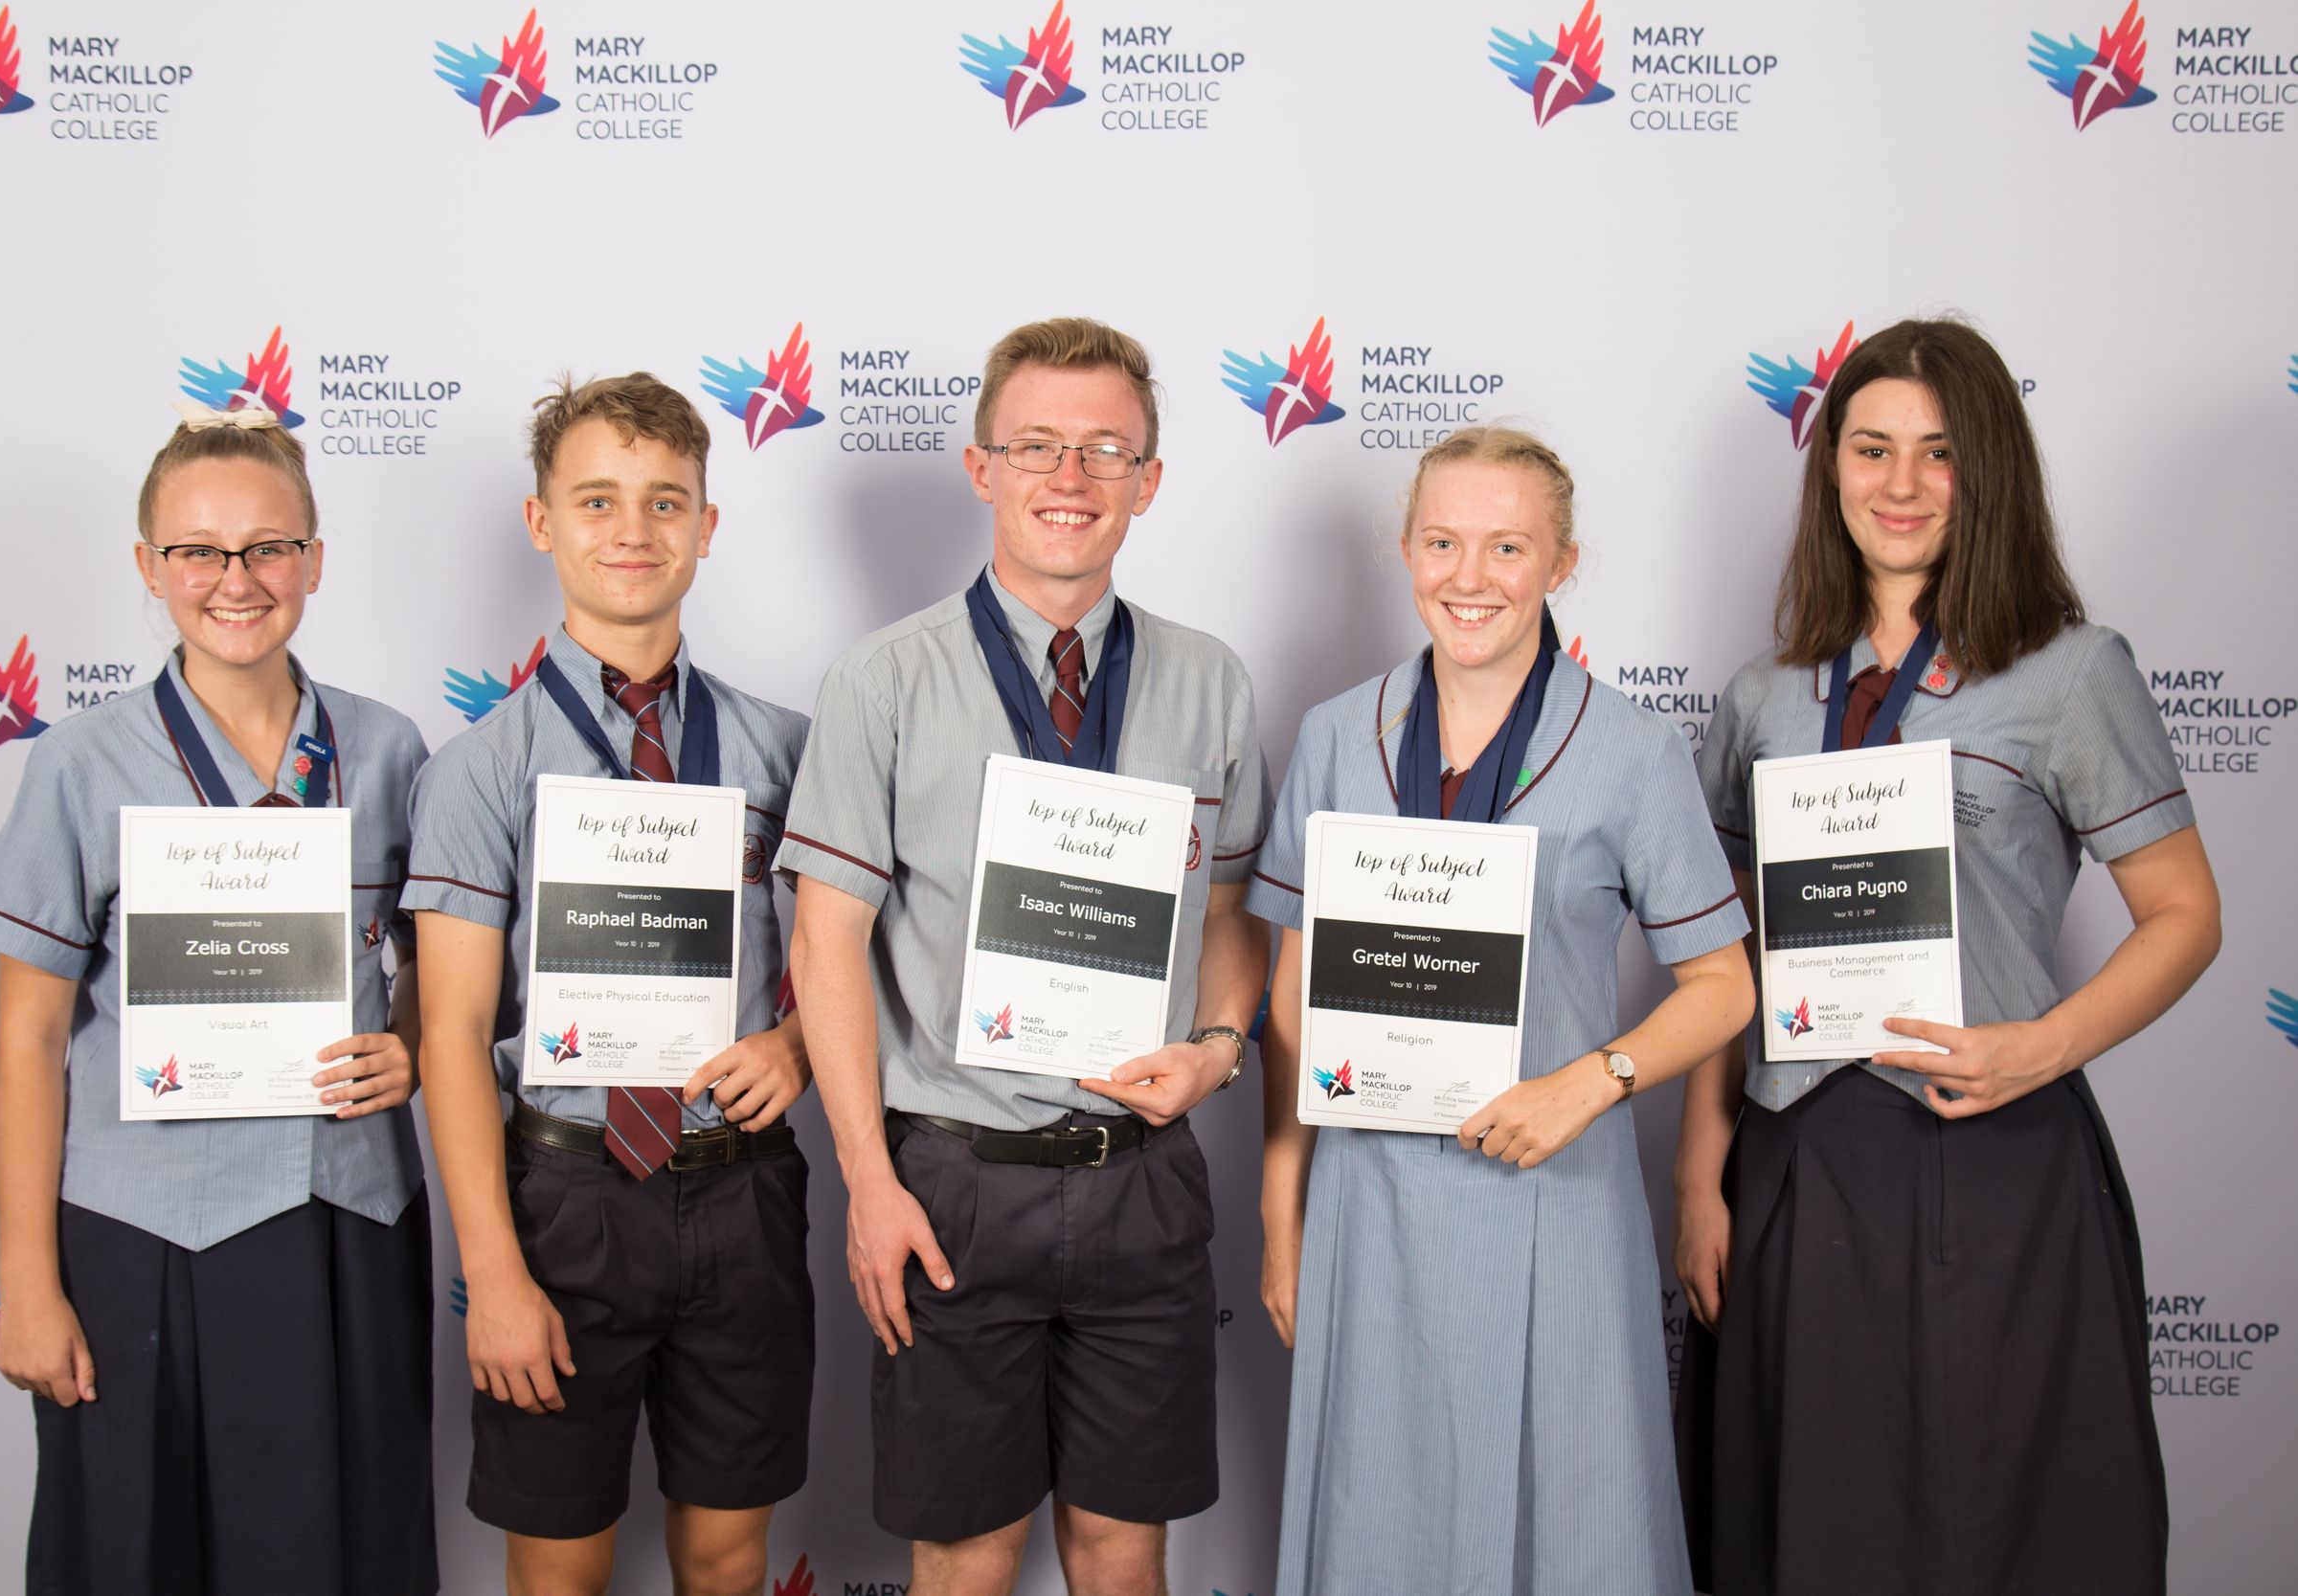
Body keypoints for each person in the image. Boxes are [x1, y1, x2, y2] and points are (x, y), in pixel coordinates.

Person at [1673, 319, 2220, 1596]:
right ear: (1831, 468)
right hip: (1801, 1156)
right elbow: (1720, 959)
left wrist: (2045, 1045)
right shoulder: (1764, 695)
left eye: (1939, 452)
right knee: (1811, 1532)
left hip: (1997, 1148)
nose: (1902, 483)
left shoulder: (2073, 671)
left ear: (1989, 470)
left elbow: (2186, 913)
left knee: (2008, 1533)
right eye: (1871, 448)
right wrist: (1700, 1175)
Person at [780, 316, 1272, 1596]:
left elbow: (1231, 914)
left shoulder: (1209, 680)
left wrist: (1219, 1049)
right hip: (954, 1181)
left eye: (1107, 449)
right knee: (966, 1554)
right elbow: (826, 937)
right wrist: (870, 1180)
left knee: (1123, 1551)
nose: (1071, 475)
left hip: (1140, 1175)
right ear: (980, 466)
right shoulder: (882, 679)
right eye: (1038, 444)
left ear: (1148, 481)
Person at [1249, 426, 1754, 1593]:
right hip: (1369, 1202)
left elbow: (1725, 985)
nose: (1468, 576)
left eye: (1507, 546)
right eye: (1441, 541)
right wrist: (1281, 1215)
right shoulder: (1336, 735)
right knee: (1376, 1520)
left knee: (1573, 1525)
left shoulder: (1631, 749)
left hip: (1555, 1198)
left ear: (1560, 562)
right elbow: (1291, 994)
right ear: (1404, 549)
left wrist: (1593, 1080)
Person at [0, 408, 436, 1596]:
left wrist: (412, 1042)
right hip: (145, 1232)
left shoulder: (386, 747)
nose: (236, 579)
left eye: (268, 547)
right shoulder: (80, 760)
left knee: (344, 1554)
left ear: (313, 559)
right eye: (198, 551)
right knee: (138, 1550)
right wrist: (27, 1277)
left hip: (346, 1216)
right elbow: (29, 1040)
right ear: (149, 565)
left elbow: (438, 962)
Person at [405, 374, 814, 1596]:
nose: (632, 528)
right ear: (542, 522)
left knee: (728, 1553)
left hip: (742, 1189)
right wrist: (494, 1273)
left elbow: (854, 962)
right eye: (596, 500)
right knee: (560, 1564)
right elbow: (451, 1032)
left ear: (706, 525)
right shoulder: (479, 769)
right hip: (564, 1203)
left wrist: (794, 1043)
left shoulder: (783, 748)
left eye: (664, 501)